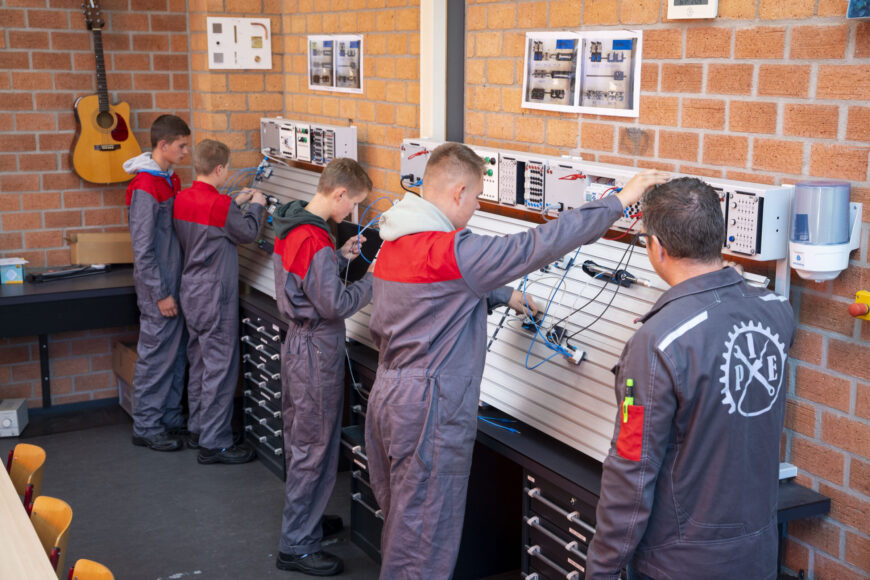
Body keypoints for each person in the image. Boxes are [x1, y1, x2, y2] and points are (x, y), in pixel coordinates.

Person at [363, 142, 669, 578]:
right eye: (477, 197)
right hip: (430, 407)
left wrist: (505, 296)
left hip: (391, 394)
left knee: (404, 526)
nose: (475, 206)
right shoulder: (451, 251)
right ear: (459, 192)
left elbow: (433, 298)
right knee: (422, 545)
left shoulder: (396, 239)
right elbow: (537, 244)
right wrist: (617, 202)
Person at [585, 178, 796, 580]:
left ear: (657, 247)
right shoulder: (777, 312)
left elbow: (632, 469)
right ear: (716, 235)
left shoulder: (657, 343)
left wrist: (602, 570)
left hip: (679, 564)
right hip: (757, 555)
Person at [272, 158, 375, 576]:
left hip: (299, 342)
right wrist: (375, 280)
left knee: (304, 438)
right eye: (353, 206)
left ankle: (306, 522)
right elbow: (334, 304)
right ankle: (296, 545)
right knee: (314, 446)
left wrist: (337, 255)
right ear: (339, 194)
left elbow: (305, 279)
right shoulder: (315, 240)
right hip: (317, 345)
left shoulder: (295, 223)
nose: (352, 216)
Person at [173, 139, 266, 464]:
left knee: (199, 361)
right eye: (226, 167)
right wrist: (256, 202)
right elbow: (248, 232)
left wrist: (231, 202)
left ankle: (199, 427)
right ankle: (215, 443)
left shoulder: (182, 198)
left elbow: (210, 218)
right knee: (221, 368)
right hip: (215, 295)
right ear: (219, 168)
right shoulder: (221, 207)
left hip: (191, 291)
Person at [123, 114, 190, 452]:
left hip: (174, 286)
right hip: (158, 291)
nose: (186, 151)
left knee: (175, 356)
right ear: (163, 145)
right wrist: (160, 293)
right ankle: (147, 426)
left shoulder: (168, 179)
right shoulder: (146, 186)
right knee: (155, 358)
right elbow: (143, 248)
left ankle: (170, 420)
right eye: (181, 146)